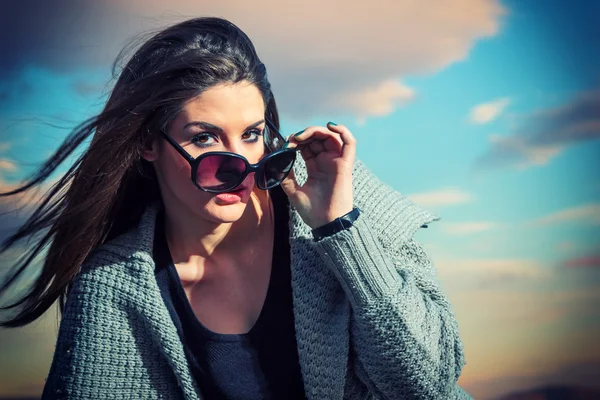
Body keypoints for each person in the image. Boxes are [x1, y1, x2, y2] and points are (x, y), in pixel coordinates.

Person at [0, 17, 472, 399]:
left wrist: (342, 229)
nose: (240, 166)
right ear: (148, 143)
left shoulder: (343, 199)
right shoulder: (113, 283)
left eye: (251, 135)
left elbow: (429, 385)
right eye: (205, 138)